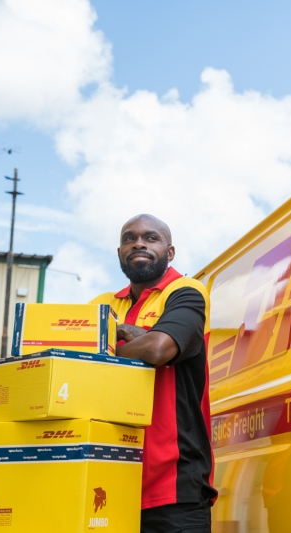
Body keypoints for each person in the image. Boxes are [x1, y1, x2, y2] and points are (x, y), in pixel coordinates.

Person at [90, 214, 217, 533]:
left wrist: (108, 349)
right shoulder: (102, 304)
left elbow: (159, 349)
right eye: (129, 238)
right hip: (105, 481)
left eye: (150, 237)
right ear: (119, 252)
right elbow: (71, 359)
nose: (138, 243)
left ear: (170, 252)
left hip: (174, 486)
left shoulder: (186, 292)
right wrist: (136, 340)